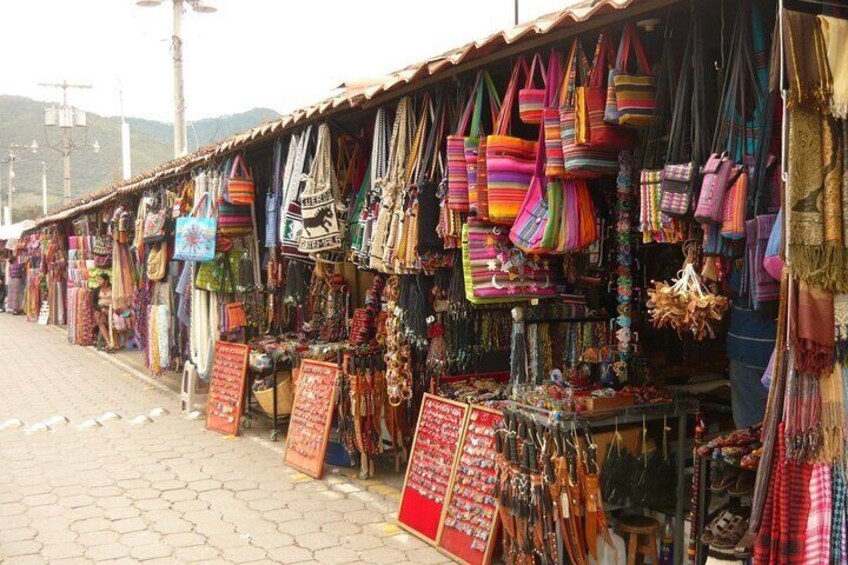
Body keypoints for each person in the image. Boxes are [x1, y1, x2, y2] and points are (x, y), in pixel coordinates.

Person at [93, 273, 116, 352]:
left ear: (106, 280)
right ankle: (109, 343)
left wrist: (111, 309)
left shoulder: (113, 288)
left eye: (100, 279)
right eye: (98, 279)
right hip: (100, 309)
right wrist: (101, 309)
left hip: (111, 309)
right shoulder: (96, 290)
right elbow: (93, 304)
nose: (99, 281)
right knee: (101, 321)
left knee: (115, 321)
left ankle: (113, 342)